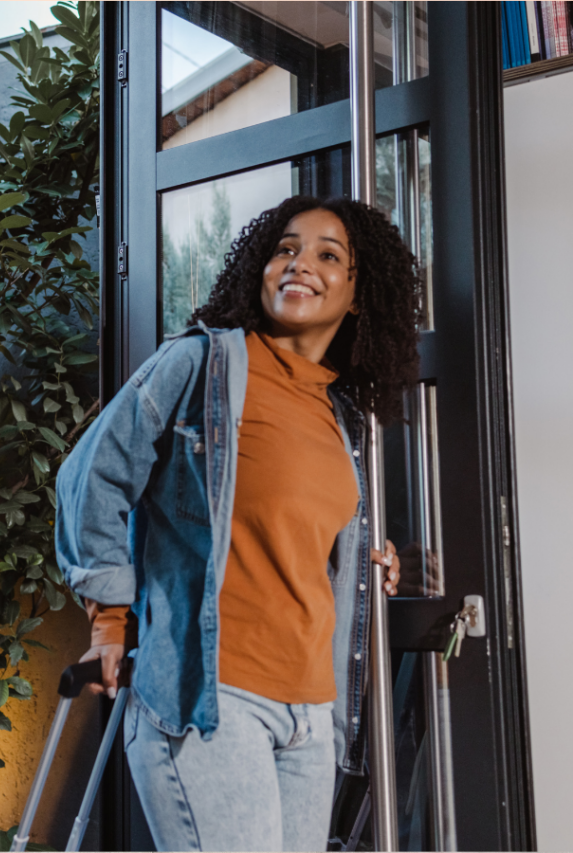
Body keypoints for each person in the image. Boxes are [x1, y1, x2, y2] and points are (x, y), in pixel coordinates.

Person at [55, 196, 420, 852]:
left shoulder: (342, 421)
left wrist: (365, 556)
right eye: (285, 247)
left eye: (327, 255)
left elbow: (299, 532)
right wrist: (109, 620)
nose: (299, 262)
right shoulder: (201, 365)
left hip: (311, 715)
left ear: (359, 295)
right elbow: (92, 477)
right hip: (212, 700)